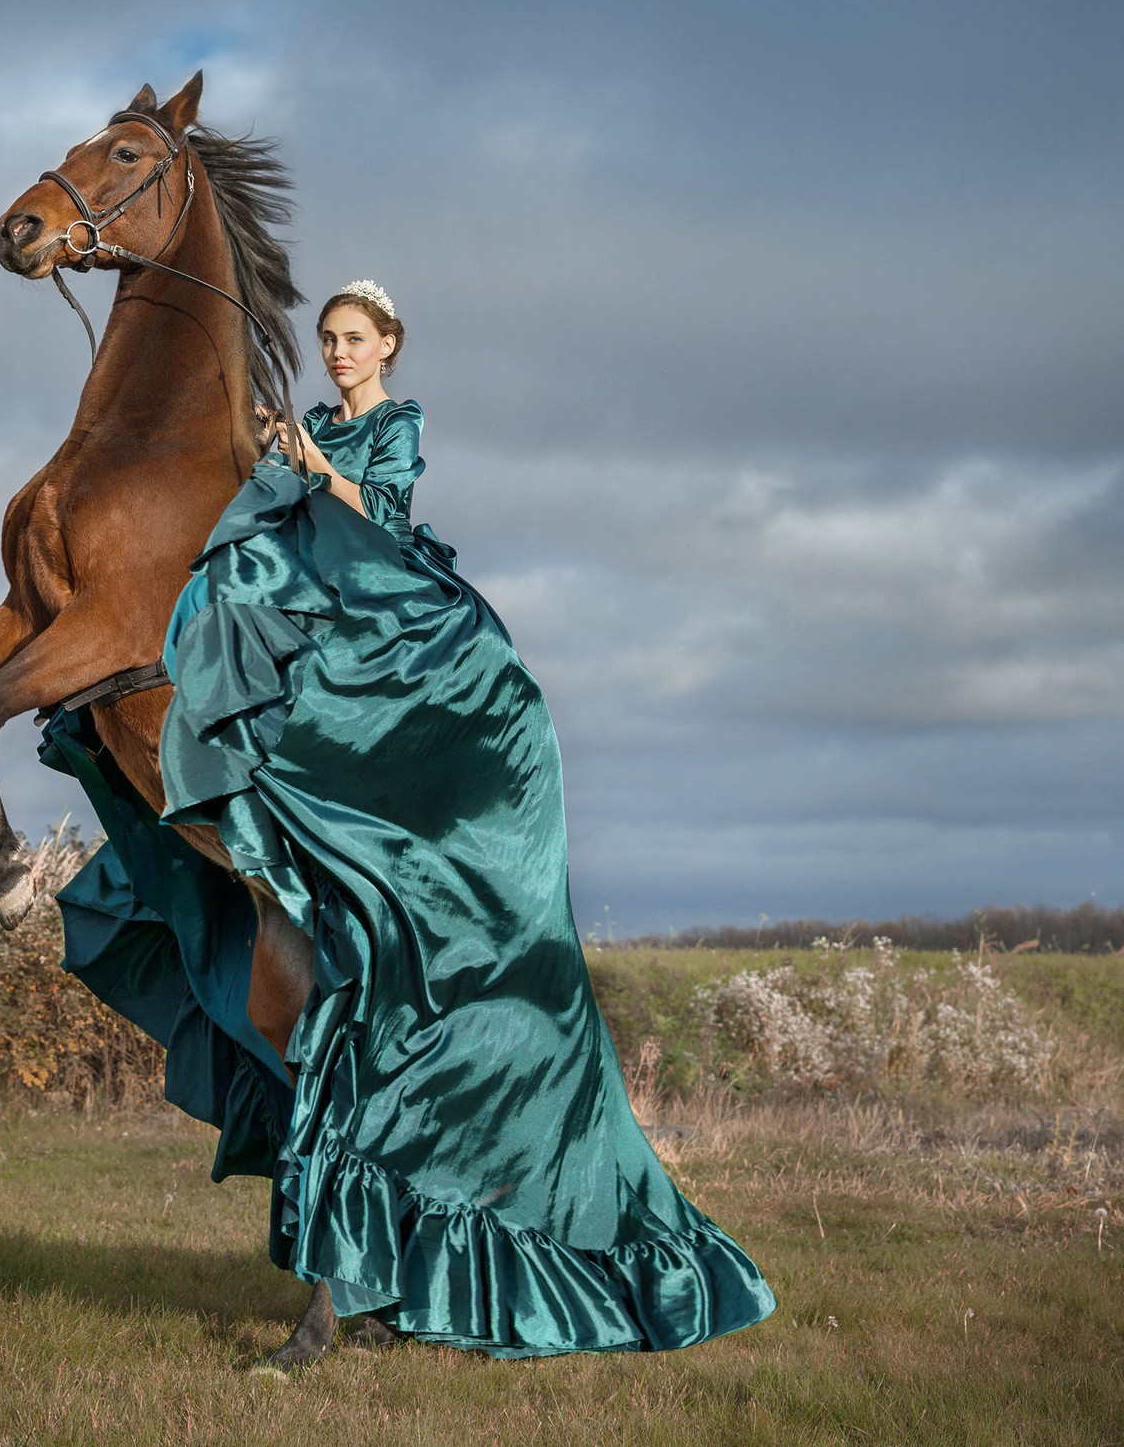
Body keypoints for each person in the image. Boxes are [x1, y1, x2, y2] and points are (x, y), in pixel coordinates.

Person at [47, 281, 774, 1360]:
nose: (337, 353)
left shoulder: (391, 427)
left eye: (354, 339)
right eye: (328, 340)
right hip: (317, 605)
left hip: (386, 611)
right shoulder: (310, 426)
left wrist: (310, 463)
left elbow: (375, 518)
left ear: (388, 344)